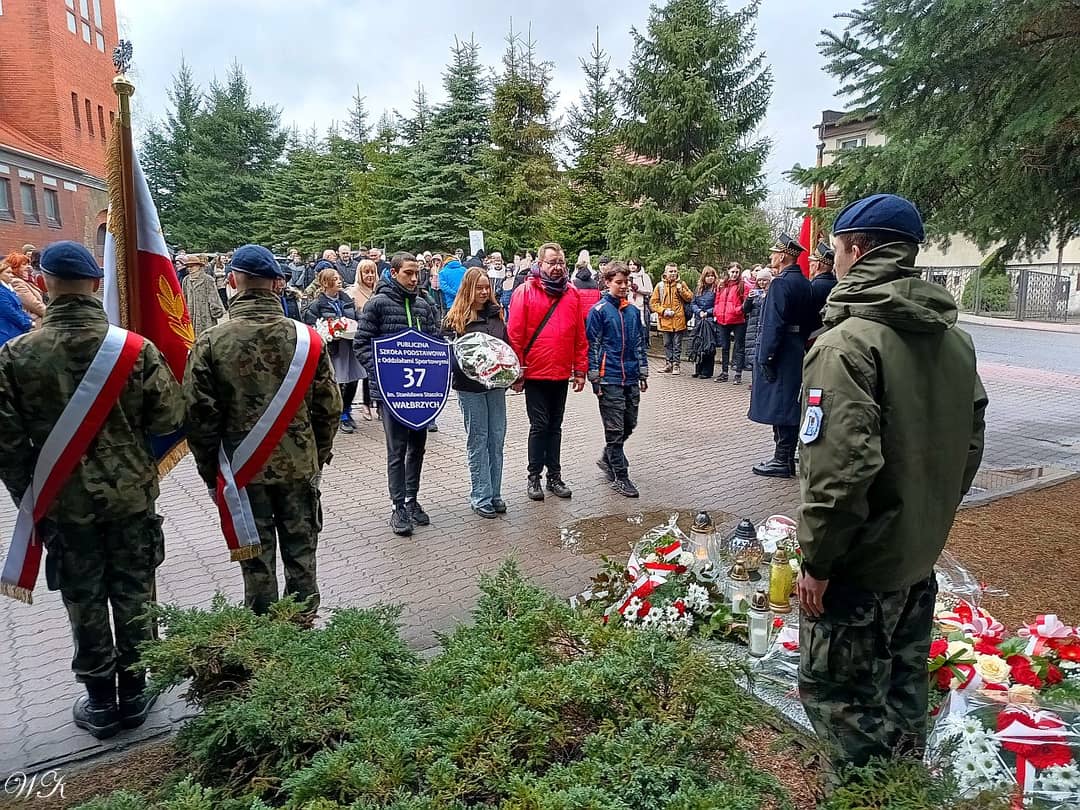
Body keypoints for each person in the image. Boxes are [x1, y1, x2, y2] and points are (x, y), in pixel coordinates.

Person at [796, 193, 988, 770]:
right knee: (903, 699)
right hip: (914, 554)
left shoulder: (846, 344)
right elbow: (969, 444)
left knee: (842, 705)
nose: (831, 260)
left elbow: (841, 470)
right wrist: (924, 514)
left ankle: (867, 799)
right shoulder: (953, 339)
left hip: (859, 567)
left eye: (834, 249)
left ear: (856, 250)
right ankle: (904, 791)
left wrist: (819, 561)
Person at [0, 241, 183, 739]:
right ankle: (136, 690)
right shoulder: (136, 349)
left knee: (83, 597)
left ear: (44, 283)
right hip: (130, 498)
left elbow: (7, 443)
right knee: (134, 591)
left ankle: (101, 701)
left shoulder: (16, 355)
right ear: (97, 285)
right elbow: (169, 417)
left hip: (63, 500)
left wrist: (31, 498)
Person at [184, 245, 341, 621]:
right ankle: (302, 637)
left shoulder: (211, 342)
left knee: (256, 567)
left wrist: (211, 473)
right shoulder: (307, 339)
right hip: (299, 469)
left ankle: (264, 641)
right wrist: (316, 457)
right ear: (277, 284)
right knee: (301, 560)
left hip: (241, 474)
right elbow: (329, 408)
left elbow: (198, 417)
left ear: (232, 280)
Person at [354, 252, 439, 536]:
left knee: (417, 447)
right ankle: (398, 506)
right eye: (408, 273)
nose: (414, 279)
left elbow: (435, 342)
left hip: (421, 392)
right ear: (393, 273)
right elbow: (362, 344)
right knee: (397, 449)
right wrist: (383, 373)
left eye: (417, 273)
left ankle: (412, 499)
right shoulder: (377, 304)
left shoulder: (424, 305)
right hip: (391, 393)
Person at [506, 241, 587, 501]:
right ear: (540, 264)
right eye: (552, 262)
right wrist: (518, 371)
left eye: (561, 262)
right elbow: (515, 335)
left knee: (555, 426)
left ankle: (554, 476)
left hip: (561, 372)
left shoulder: (572, 293)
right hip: (535, 372)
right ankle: (534, 477)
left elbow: (580, 334)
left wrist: (580, 370)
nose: (557, 267)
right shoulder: (525, 291)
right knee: (539, 426)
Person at [747, 234, 815, 478]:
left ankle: (782, 459)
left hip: (781, 350)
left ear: (784, 256)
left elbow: (772, 324)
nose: (771, 256)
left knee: (781, 407)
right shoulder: (804, 283)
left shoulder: (780, 284)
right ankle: (784, 457)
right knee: (790, 404)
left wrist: (765, 357)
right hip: (795, 348)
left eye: (775, 253)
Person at [444, 267, 511, 519]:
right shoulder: (455, 319)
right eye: (479, 288)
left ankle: (495, 493)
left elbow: (506, 347)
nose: (484, 292)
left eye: (486, 287)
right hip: (469, 387)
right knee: (478, 440)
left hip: (496, 387)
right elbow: (449, 356)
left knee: (496, 439)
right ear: (468, 289)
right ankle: (481, 496)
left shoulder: (497, 315)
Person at [586, 262, 648, 498]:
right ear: (607, 282)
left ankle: (608, 457)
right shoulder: (599, 311)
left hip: (630, 376)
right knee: (614, 430)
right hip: (609, 377)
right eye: (618, 282)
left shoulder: (632, 312)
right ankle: (620, 476)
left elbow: (639, 343)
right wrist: (595, 378)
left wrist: (642, 372)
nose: (623, 286)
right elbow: (593, 346)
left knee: (629, 422)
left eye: (626, 282)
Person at [304, 268, 363, 434]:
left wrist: (357, 326)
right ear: (325, 283)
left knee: (353, 379)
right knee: (336, 381)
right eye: (335, 279)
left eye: (339, 278)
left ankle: (347, 410)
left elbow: (357, 318)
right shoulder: (317, 304)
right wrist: (326, 332)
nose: (339, 281)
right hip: (332, 348)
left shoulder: (347, 300)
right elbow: (311, 325)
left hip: (349, 345)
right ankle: (338, 414)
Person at [345, 259, 378, 421]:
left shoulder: (379, 290)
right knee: (357, 375)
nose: (370, 275)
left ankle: (370, 403)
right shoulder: (352, 292)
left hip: (377, 337)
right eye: (366, 272)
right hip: (360, 338)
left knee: (374, 373)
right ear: (360, 273)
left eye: (372, 272)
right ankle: (349, 408)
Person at [649, 263, 692, 374]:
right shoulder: (660, 286)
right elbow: (653, 303)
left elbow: (690, 298)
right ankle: (669, 364)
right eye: (671, 271)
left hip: (679, 319)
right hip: (665, 320)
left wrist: (681, 290)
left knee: (677, 344)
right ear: (665, 273)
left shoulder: (681, 284)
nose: (673, 273)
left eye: (675, 271)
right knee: (667, 343)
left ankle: (676, 365)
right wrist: (663, 311)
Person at [714, 263, 748, 384]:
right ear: (728, 271)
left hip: (738, 320)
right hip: (723, 319)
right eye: (732, 272)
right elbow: (717, 300)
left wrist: (737, 310)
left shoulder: (742, 285)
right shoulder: (722, 285)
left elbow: (746, 302)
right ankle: (724, 372)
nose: (734, 274)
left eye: (736, 272)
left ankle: (738, 374)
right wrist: (717, 311)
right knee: (725, 347)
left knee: (739, 347)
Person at [180, 255, 226, 337]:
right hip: (191, 314)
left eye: (192, 266)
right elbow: (184, 297)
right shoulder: (186, 280)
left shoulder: (208, 279)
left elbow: (213, 297)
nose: (190, 268)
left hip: (206, 314)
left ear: (199, 266)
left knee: (207, 337)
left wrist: (216, 310)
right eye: (188, 267)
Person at [689, 266, 718, 379]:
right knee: (698, 344)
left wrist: (708, 312)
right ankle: (698, 369)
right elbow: (693, 303)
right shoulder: (698, 289)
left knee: (708, 345)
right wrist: (699, 311)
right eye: (708, 276)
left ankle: (707, 371)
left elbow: (718, 305)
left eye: (712, 276)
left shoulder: (716, 289)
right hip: (699, 320)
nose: (710, 278)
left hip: (710, 321)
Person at [742, 268, 771, 372]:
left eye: (764, 280)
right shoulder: (754, 292)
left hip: (764, 325)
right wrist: (749, 298)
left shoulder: (772, 294)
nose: (762, 283)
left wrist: (765, 297)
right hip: (753, 326)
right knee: (752, 353)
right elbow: (745, 309)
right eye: (760, 280)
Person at [0, 259, 33, 345]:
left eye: (11, 272)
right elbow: (9, 312)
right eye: (8, 273)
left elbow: (19, 309)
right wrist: (27, 323)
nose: (11, 275)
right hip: (6, 332)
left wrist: (29, 319)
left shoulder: (8, 288)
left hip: (15, 331)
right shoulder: (1, 291)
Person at [808, 241, 838, 334]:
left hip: (814, 334)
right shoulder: (838, 284)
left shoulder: (812, 287)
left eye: (811, 261)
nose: (809, 264)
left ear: (817, 265)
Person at [627, 258, 653, 327]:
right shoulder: (626, 276)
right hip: (629, 305)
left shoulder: (644, 276)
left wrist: (637, 289)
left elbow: (650, 291)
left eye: (634, 264)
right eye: (630, 264)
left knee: (643, 327)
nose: (632, 266)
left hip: (643, 305)